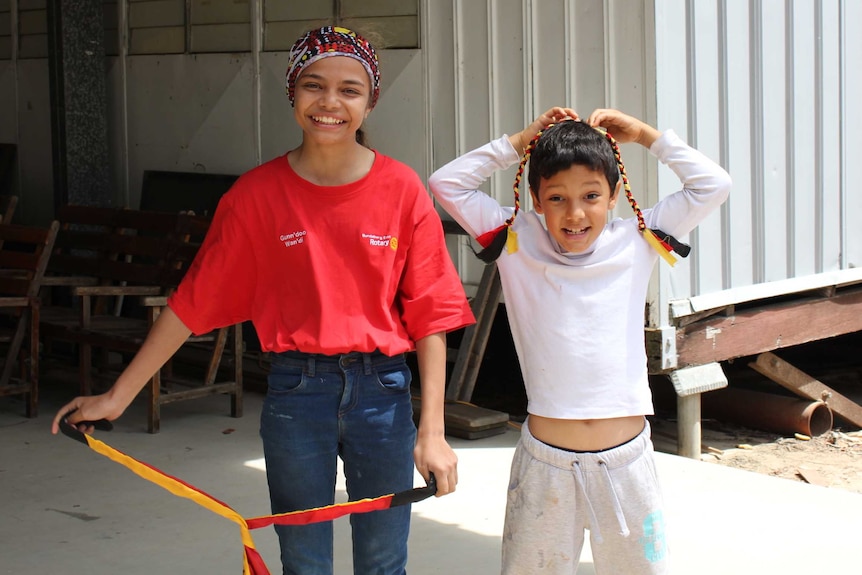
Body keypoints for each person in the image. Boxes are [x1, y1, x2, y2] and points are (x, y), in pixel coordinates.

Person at [51, 25, 474, 575]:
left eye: (350, 89)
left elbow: (430, 315)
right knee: (303, 562)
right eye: (313, 85)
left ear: (371, 101)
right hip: (296, 394)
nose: (330, 102)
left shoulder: (402, 189)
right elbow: (192, 303)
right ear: (292, 92)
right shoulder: (254, 196)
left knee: (383, 560)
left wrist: (433, 432)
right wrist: (117, 396)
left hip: (382, 394)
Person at [429, 106, 731, 574]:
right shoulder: (514, 239)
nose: (574, 214)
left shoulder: (641, 237)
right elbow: (446, 184)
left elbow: (714, 184)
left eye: (591, 195)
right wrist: (519, 140)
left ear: (614, 196)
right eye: (556, 198)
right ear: (534, 197)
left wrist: (647, 136)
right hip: (545, 466)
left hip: (627, 466)